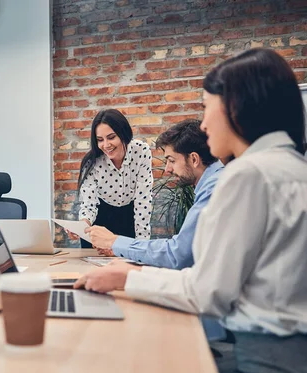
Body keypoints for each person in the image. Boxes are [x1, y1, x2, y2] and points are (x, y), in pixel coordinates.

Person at [75, 48, 307, 372]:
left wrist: (129, 276)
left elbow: (208, 292)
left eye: (206, 108)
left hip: (267, 353)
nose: (204, 124)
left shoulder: (248, 175)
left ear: (236, 108)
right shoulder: (294, 166)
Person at [86, 119, 223, 270]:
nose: (167, 170)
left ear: (194, 159)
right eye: (100, 139)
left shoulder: (214, 189)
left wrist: (114, 241)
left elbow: (177, 254)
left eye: (171, 161)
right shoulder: (215, 182)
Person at [76, 109, 153, 248]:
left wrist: (143, 247)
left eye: (111, 137)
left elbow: (143, 201)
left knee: (128, 265)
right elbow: (89, 204)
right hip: (99, 222)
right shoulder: (92, 161)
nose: (106, 145)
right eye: (100, 140)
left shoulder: (141, 151)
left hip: (128, 220)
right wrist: (81, 226)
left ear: (123, 133)